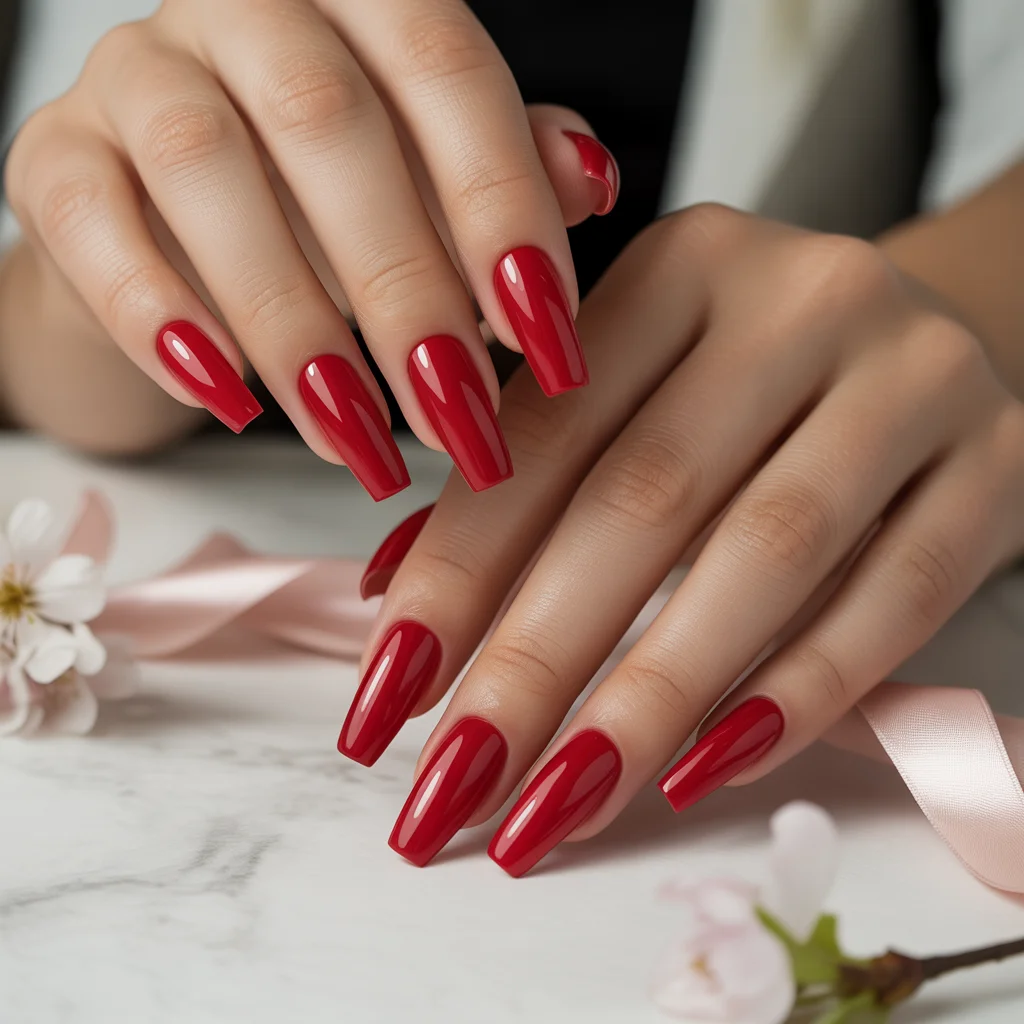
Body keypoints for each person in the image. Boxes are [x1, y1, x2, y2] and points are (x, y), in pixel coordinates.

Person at [2, 0, 1024, 875]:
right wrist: (99, 284)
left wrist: (943, 325)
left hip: (797, 527)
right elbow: (39, 307)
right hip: (201, 530)